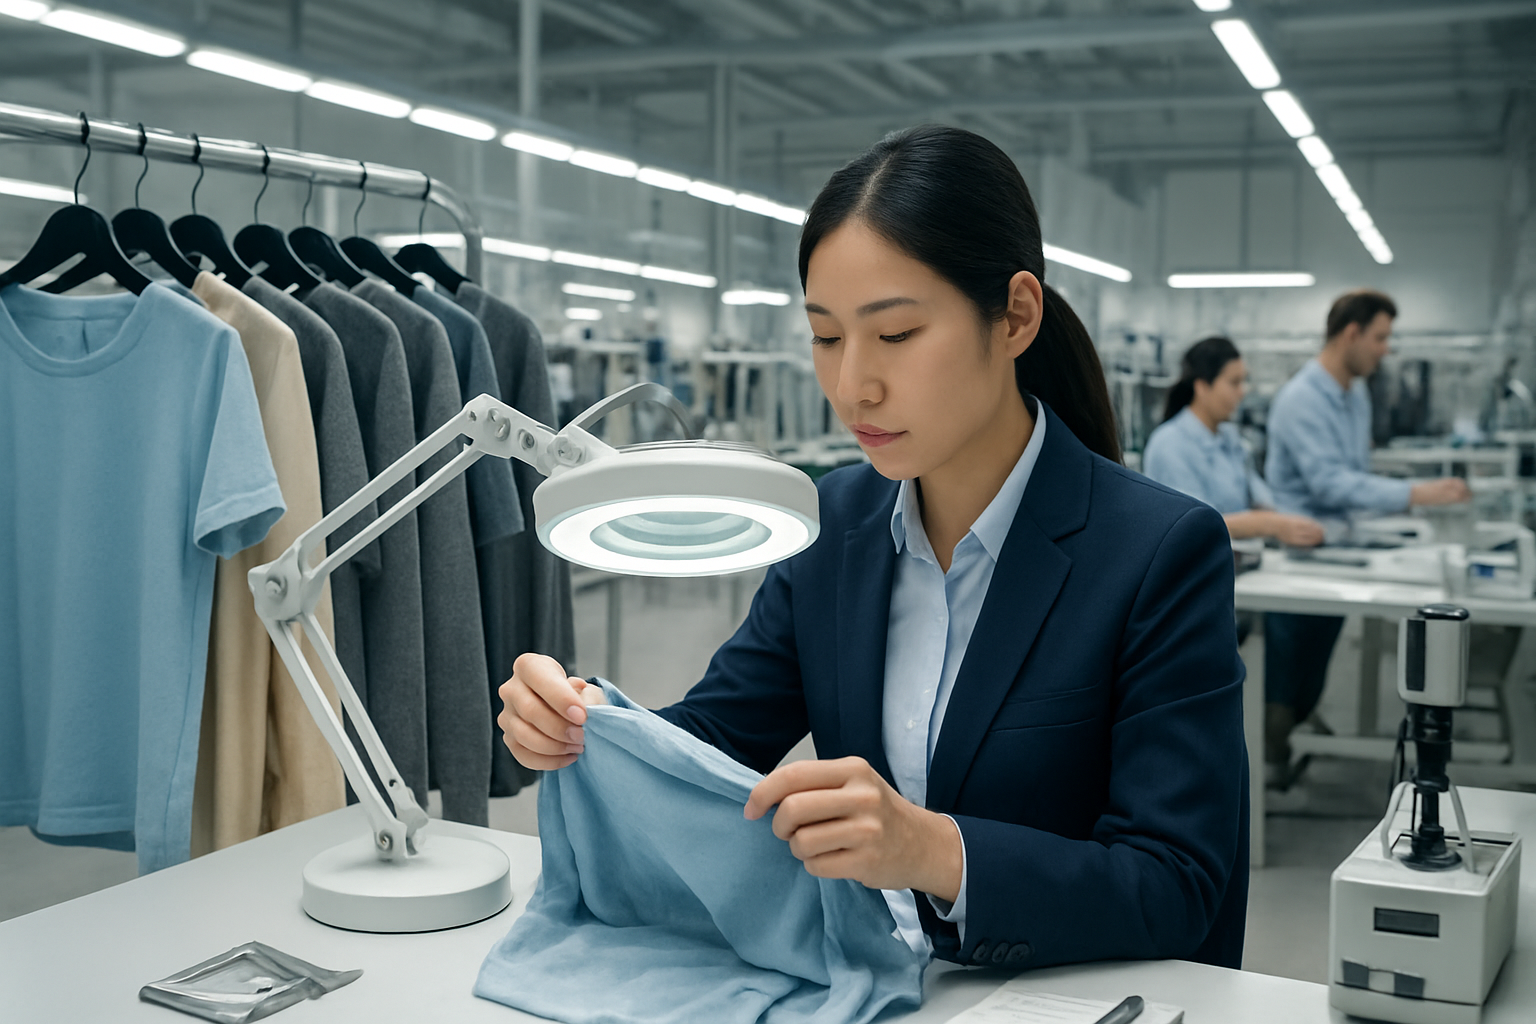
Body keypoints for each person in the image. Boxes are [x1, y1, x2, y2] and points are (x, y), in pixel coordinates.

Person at [500, 125, 1248, 972]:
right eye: (825, 336)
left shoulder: (1157, 552)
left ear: (1015, 317)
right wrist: (586, 724)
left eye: (893, 335)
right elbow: (714, 738)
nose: (854, 383)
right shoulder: (834, 528)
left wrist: (933, 852)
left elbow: (1179, 883)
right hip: (875, 986)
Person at [1262, 290, 1470, 784]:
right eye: (1380, 337)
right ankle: (1268, 764)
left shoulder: (1353, 394)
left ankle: (1288, 741)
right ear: (1350, 333)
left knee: (1314, 670)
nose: (1385, 349)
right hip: (1301, 556)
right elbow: (1329, 483)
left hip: (1339, 546)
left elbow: (1354, 476)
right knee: (1287, 675)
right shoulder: (1302, 399)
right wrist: (1415, 493)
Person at [1143, 336, 1325, 548]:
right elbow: (1194, 525)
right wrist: (1269, 524)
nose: (1242, 392)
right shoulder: (1169, 445)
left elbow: (1261, 500)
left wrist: (1289, 524)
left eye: (1243, 381)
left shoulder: (1230, 439)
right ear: (1202, 387)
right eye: (1234, 383)